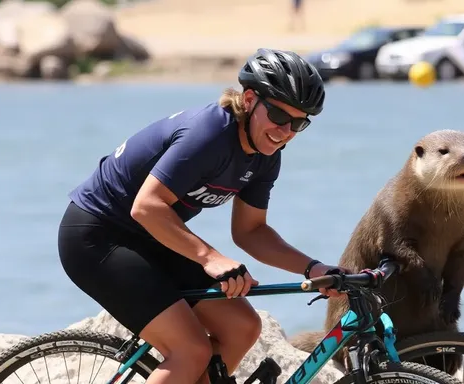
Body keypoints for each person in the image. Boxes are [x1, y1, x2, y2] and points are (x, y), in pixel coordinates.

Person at [57, 48, 347, 384]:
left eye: (299, 123)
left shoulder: (266, 154)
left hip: (152, 237)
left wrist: (313, 268)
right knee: (190, 351)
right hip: (97, 236)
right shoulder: (209, 134)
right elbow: (146, 206)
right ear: (250, 99)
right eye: (280, 117)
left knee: (242, 327)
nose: (286, 132)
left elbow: (251, 231)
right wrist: (210, 257)